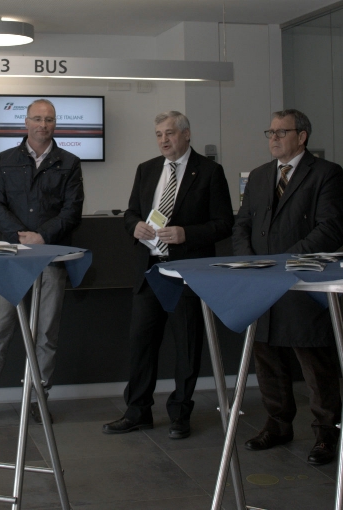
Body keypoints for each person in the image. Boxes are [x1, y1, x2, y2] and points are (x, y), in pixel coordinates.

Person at [103, 112, 233, 439]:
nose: (163, 140)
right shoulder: (146, 169)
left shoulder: (210, 172)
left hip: (186, 273)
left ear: (186, 134)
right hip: (150, 271)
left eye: (170, 133)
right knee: (141, 345)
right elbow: (131, 212)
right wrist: (134, 225)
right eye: (159, 134)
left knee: (187, 346)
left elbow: (223, 224)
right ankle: (137, 412)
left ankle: (180, 414)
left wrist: (187, 233)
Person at [0, 98, 84, 428]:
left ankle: (38, 399)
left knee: (45, 334)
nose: (43, 125)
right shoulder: (6, 159)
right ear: (25, 123)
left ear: (56, 124)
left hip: (50, 257)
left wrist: (41, 236)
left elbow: (72, 211)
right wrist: (19, 236)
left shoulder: (69, 162)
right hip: (12, 258)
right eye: (37, 119)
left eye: (49, 119)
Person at [233, 109, 343, 466]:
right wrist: (250, 262)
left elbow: (330, 229)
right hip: (262, 282)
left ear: (302, 136)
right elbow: (242, 225)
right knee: (266, 356)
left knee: (314, 361)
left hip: (302, 282)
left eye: (282, 132)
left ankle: (327, 432)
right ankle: (278, 424)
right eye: (270, 132)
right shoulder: (259, 175)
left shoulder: (326, 173)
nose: (273, 138)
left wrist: (284, 261)